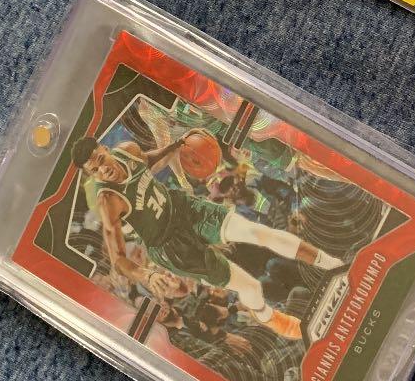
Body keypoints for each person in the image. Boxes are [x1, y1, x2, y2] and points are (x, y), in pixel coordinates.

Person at [72, 133, 343, 341]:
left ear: (105, 149)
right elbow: (118, 260)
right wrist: (146, 275)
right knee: (251, 287)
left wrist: (174, 147)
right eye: (94, 171)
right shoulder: (108, 201)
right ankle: (281, 324)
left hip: (184, 209)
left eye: (101, 160)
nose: (102, 170)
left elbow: (147, 161)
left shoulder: (128, 151)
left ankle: (333, 264)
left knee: (260, 233)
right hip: (170, 246)